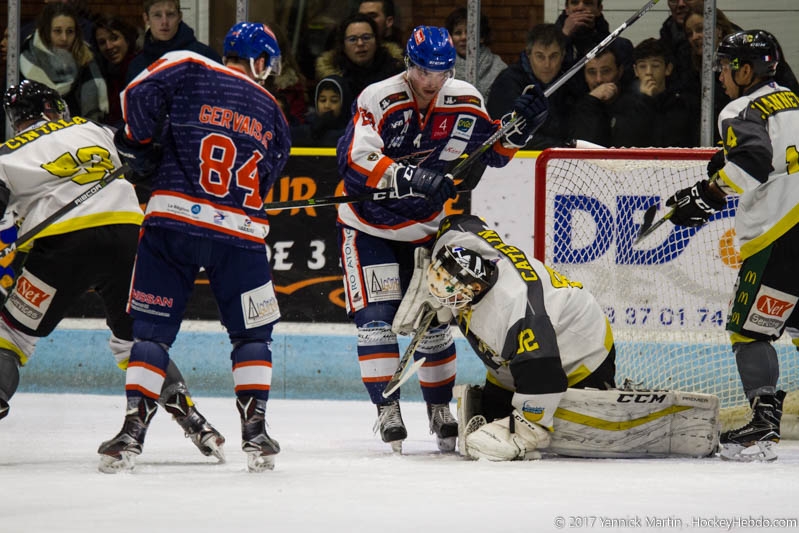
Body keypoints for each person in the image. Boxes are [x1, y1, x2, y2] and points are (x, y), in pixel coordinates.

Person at [335, 25, 548, 453]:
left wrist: (520, 128)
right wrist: (412, 175)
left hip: (425, 230)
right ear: (408, 65)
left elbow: (493, 152)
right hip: (367, 225)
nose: (430, 81)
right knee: (377, 320)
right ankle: (387, 407)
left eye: (439, 72)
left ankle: (438, 409)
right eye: (421, 71)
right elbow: (354, 160)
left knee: (434, 322)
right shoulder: (379, 98)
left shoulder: (465, 99)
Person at [98, 22, 291, 473]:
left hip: (174, 224)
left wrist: (141, 143)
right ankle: (256, 434)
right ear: (259, 60)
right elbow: (269, 173)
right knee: (253, 336)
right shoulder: (273, 110)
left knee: (150, 335)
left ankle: (132, 433)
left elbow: (136, 95)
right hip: (240, 236)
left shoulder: (189, 66)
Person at [0, 80, 223, 460]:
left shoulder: (6, 154)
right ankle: (193, 419)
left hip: (64, 246)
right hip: (128, 239)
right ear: (53, 108)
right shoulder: (93, 129)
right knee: (135, 342)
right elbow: (147, 159)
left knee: (10, 337)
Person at [662, 30, 799, 462]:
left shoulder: (740, 107)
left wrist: (706, 195)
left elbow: (755, 160)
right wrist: (725, 162)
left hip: (781, 230)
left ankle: (762, 429)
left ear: (745, 70)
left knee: (749, 328)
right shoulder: (795, 99)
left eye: (724, 66)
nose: (720, 75)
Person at [422, 214, 616, 460]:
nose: (441, 294)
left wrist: (526, 429)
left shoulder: (514, 310)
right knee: (490, 416)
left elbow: (546, 376)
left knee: (552, 425)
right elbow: (458, 221)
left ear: (476, 288)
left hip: (582, 351)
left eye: (448, 292)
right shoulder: (463, 242)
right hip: (518, 358)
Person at [487, 23, 577, 149]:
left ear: (563, 55)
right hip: (515, 161)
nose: (547, 65)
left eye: (553, 56)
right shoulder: (508, 82)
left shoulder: (570, 82)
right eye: (540, 56)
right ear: (529, 54)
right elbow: (504, 133)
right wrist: (560, 147)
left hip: (562, 159)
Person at [19, 2, 108, 122]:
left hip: (80, 135)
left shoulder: (87, 61)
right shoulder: (25, 60)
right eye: (57, 31)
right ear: (46, 31)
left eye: (70, 31)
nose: (64, 38)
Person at [607, 38, 698, 147]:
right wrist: (645, 101)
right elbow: (625, 142)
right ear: (636, 71)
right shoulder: (623, 105)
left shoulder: (683, 105)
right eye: (642, 66)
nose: (649, 72)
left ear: (668, 69)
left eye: (655, 66)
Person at [125, 0, 221, 83]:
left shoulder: (206, 57)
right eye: (157, 15)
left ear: (179, 17)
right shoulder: (137, 66)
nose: (164, 22)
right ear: (146, 18)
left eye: (170, 14)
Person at [314, 13, 404, 99]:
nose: (360, 43)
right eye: (352, 39)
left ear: (377, 41)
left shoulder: (396, 71)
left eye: (366, 37)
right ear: (343, 45)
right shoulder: (333, 79)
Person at [555, 0, 634, 89]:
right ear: (567, 9)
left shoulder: (621, 46)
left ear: (599, 9)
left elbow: (627, 88)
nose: (580, 8)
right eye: (574, 2)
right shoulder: (547, 43)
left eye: (588, 3)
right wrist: (564, 36)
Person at [444, 8, 506, 102]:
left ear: (482, 37)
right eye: (458, 33)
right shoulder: (442, 68)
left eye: (470, 32)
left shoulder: (498, 68)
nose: (464, 37)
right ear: (450, 39)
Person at [570, 44, 626, 146]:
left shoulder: (632, 103)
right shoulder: (576, 105)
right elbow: (586, 149)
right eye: (592, 72)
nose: (599, 79)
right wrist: (591, 101)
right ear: (584, 75)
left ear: (620, 71)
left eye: (606, 71)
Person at [92, 15, 140, 128]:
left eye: (114, 38)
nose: (108, 46)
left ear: (127, 39)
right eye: (102, 42)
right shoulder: (104, 72)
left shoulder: (139, 69)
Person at [291, 75, 355, 147]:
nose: (327, 106)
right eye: (323, 100)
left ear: (344, 104)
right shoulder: (305, 129)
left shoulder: (353, 134)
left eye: (334, 101)